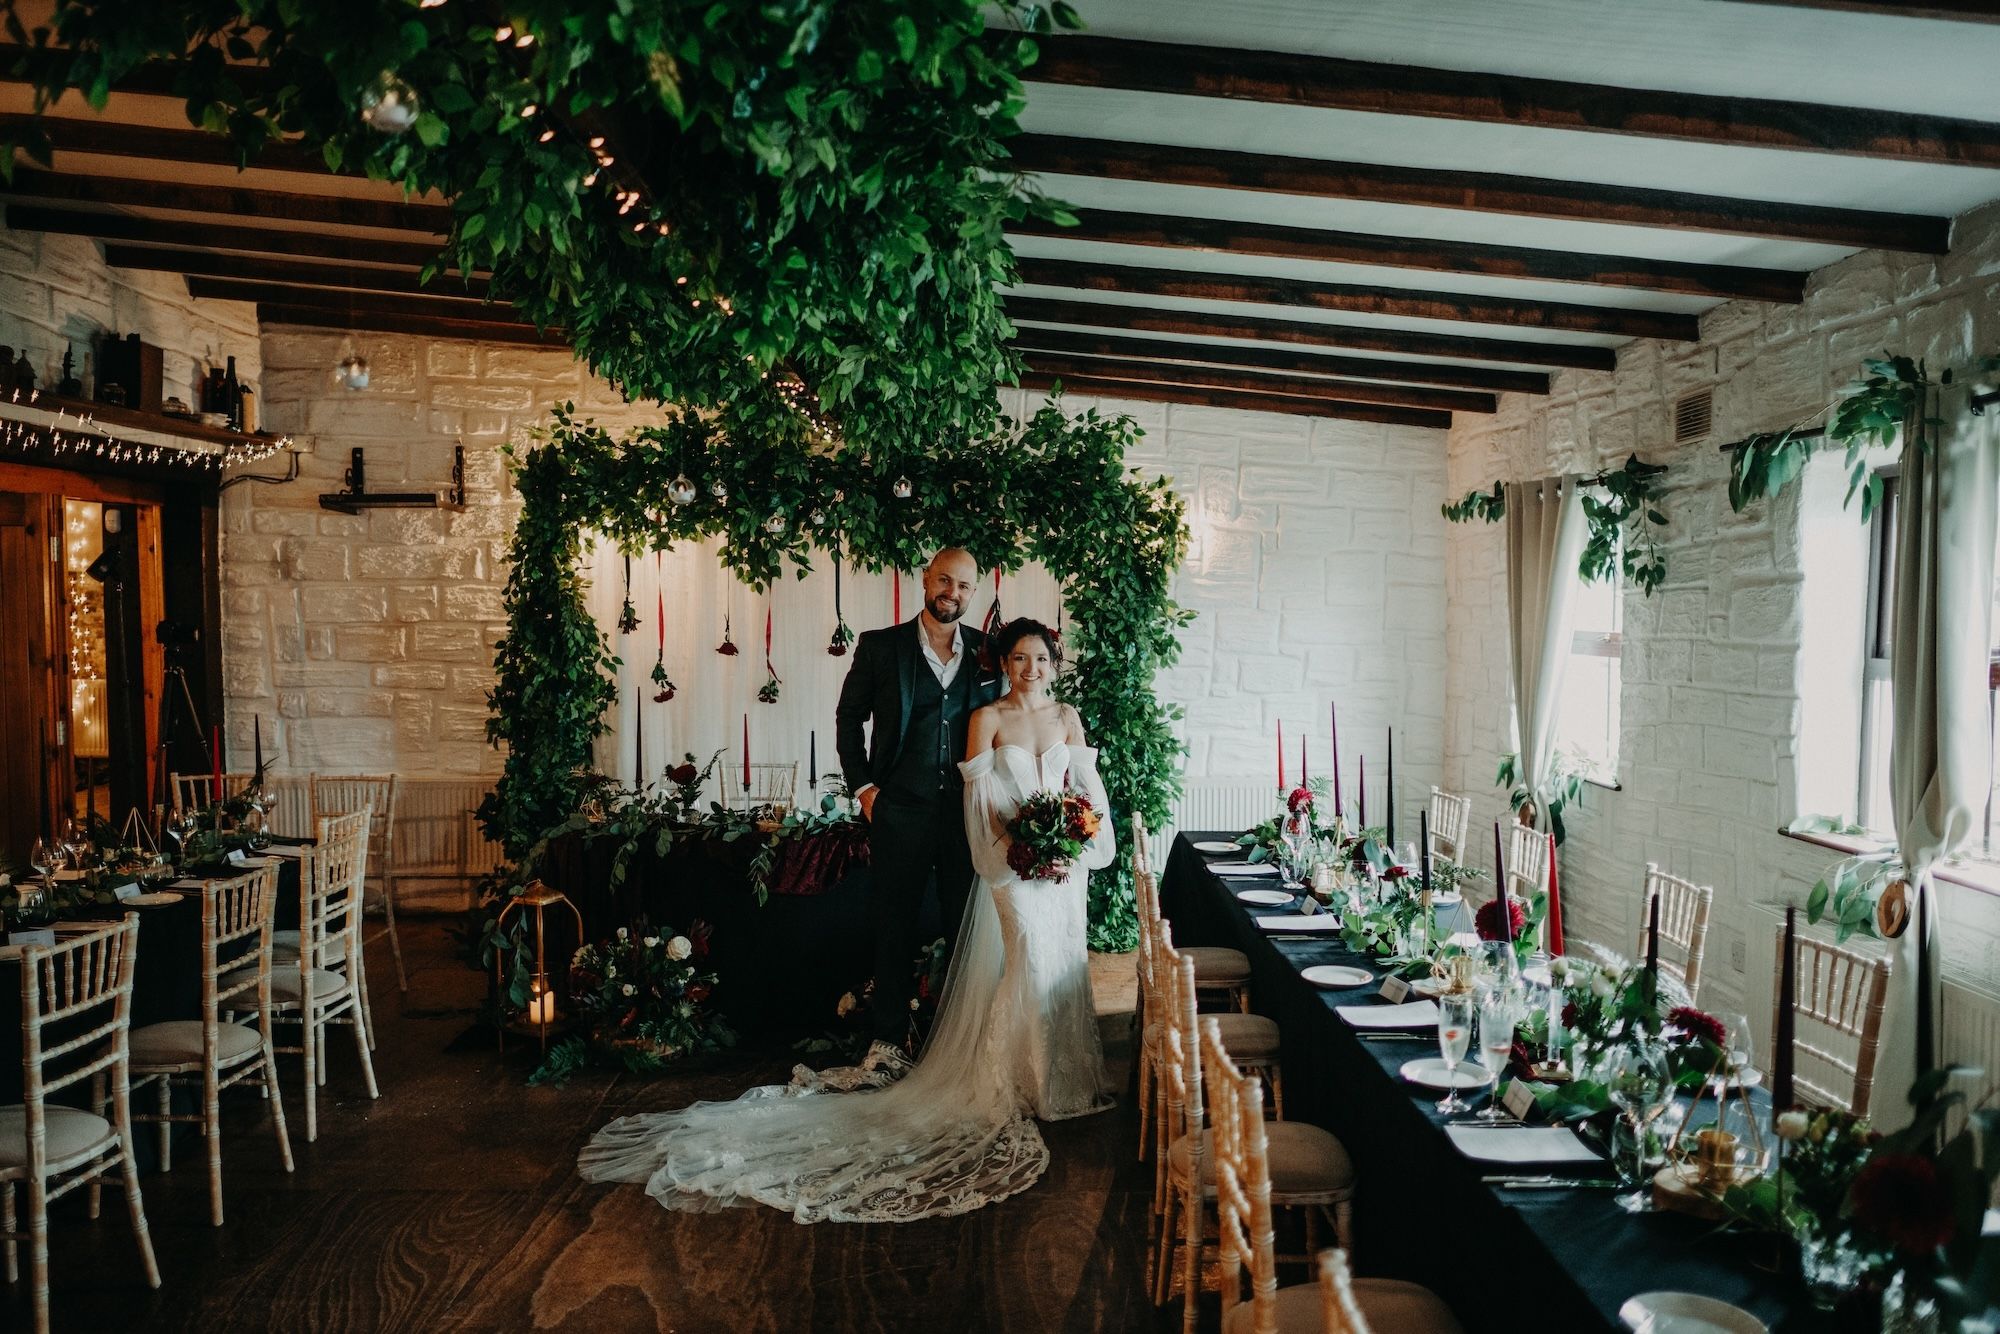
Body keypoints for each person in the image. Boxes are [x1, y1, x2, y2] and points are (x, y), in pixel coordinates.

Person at [577, 616, 1116, 1223]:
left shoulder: (1066, 717)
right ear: (1005, 663)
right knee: (1026, 960)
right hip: (1012, 866)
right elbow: (980, 802)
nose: (1030, 669)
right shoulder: (984, 716)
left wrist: (1073, 842)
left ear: (1053, 661)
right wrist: (1009, 850)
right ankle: (1015, 1079)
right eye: (1019, 658)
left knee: (1061, 961)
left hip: (1065, 871)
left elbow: (1088, 792)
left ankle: (1064, 1083)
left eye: (1040, 659)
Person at [834, 546, 1000, 1078]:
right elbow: (848, 718)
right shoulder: (881, 647)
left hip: (965, 814)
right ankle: (886, 1042)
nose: (953, 593)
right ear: (926, 581)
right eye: (944, 581)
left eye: (965, 586)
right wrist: (864, 789)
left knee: (964, 927)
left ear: (975, 593)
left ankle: (958, 1042)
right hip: (899, 808)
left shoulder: (988, 653)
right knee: (894, 926)